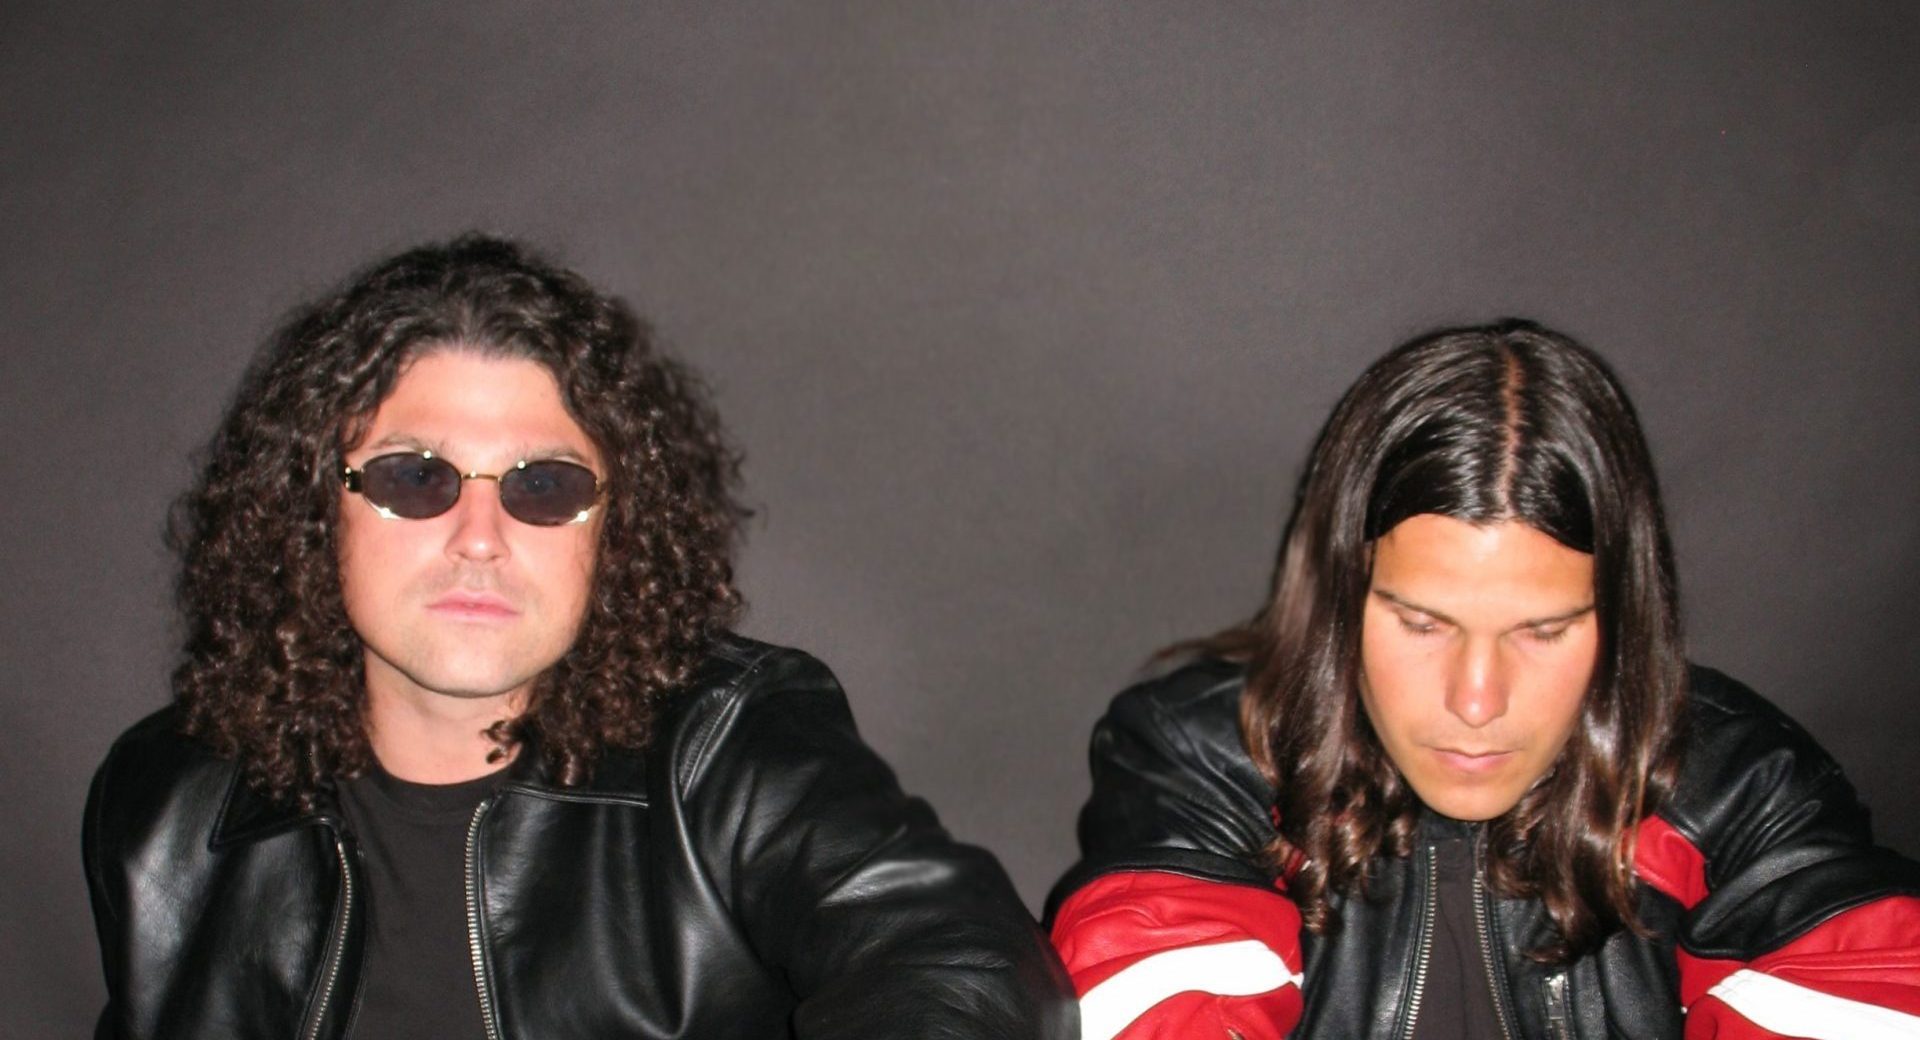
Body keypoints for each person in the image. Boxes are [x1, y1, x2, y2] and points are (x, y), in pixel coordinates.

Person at [84, 234, 1074, 1040]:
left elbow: (963, 967)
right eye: (415, 477)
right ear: (313, 510)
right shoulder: (169, 804)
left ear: (612, 531)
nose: (480, 536)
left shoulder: (724, 751)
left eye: (544, 486)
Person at [1047, 320, 1920, 1039]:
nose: (1475, 700)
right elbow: (1162, 1003)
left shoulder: (1740, 785)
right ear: (1341, 596)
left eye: (1544, 630)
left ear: (1624, 615)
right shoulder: (1208, 755)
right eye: (1422, 623)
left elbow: (1864, 986)